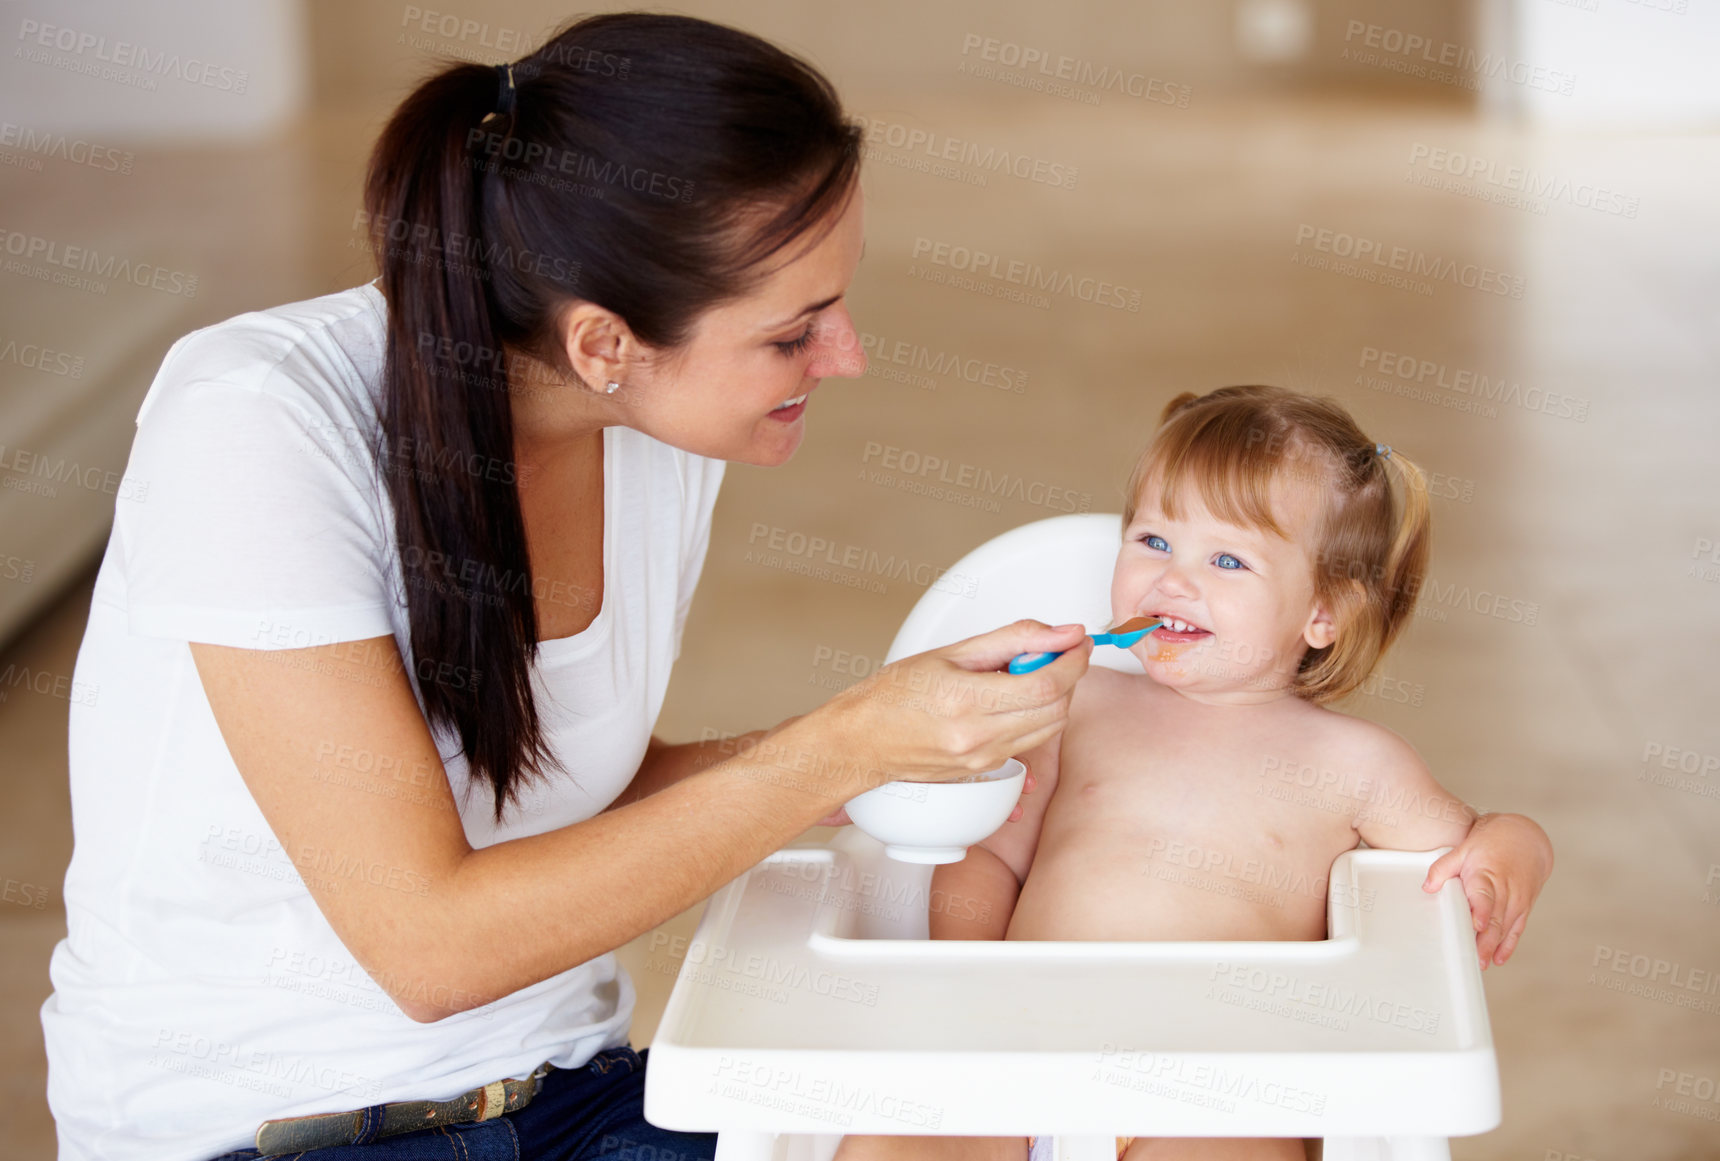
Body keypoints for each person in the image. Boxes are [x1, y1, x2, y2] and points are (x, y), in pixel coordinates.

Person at [38, 14, 1094, 1161]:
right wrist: (839, 748)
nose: (846, 356)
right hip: (279, 1134)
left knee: (1022, 1123)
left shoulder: (655, 427)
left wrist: (896, 751)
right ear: (603, 344)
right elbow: (429, 949)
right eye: (792, 334)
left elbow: (558, 795)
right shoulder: (257, 421)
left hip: (572, 1099)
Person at [834, 385, 1556, 1161]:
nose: (1173, 580)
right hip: (1023, 1056)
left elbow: (1473, 839)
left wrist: (1515, 854)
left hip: (1222, 1089)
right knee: (903, 1135)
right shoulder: (1077, 709)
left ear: (1324, 613)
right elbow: (988, 856)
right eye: (1150, 540)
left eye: (1226, 559)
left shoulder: (1356, 764)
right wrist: (970, 978)